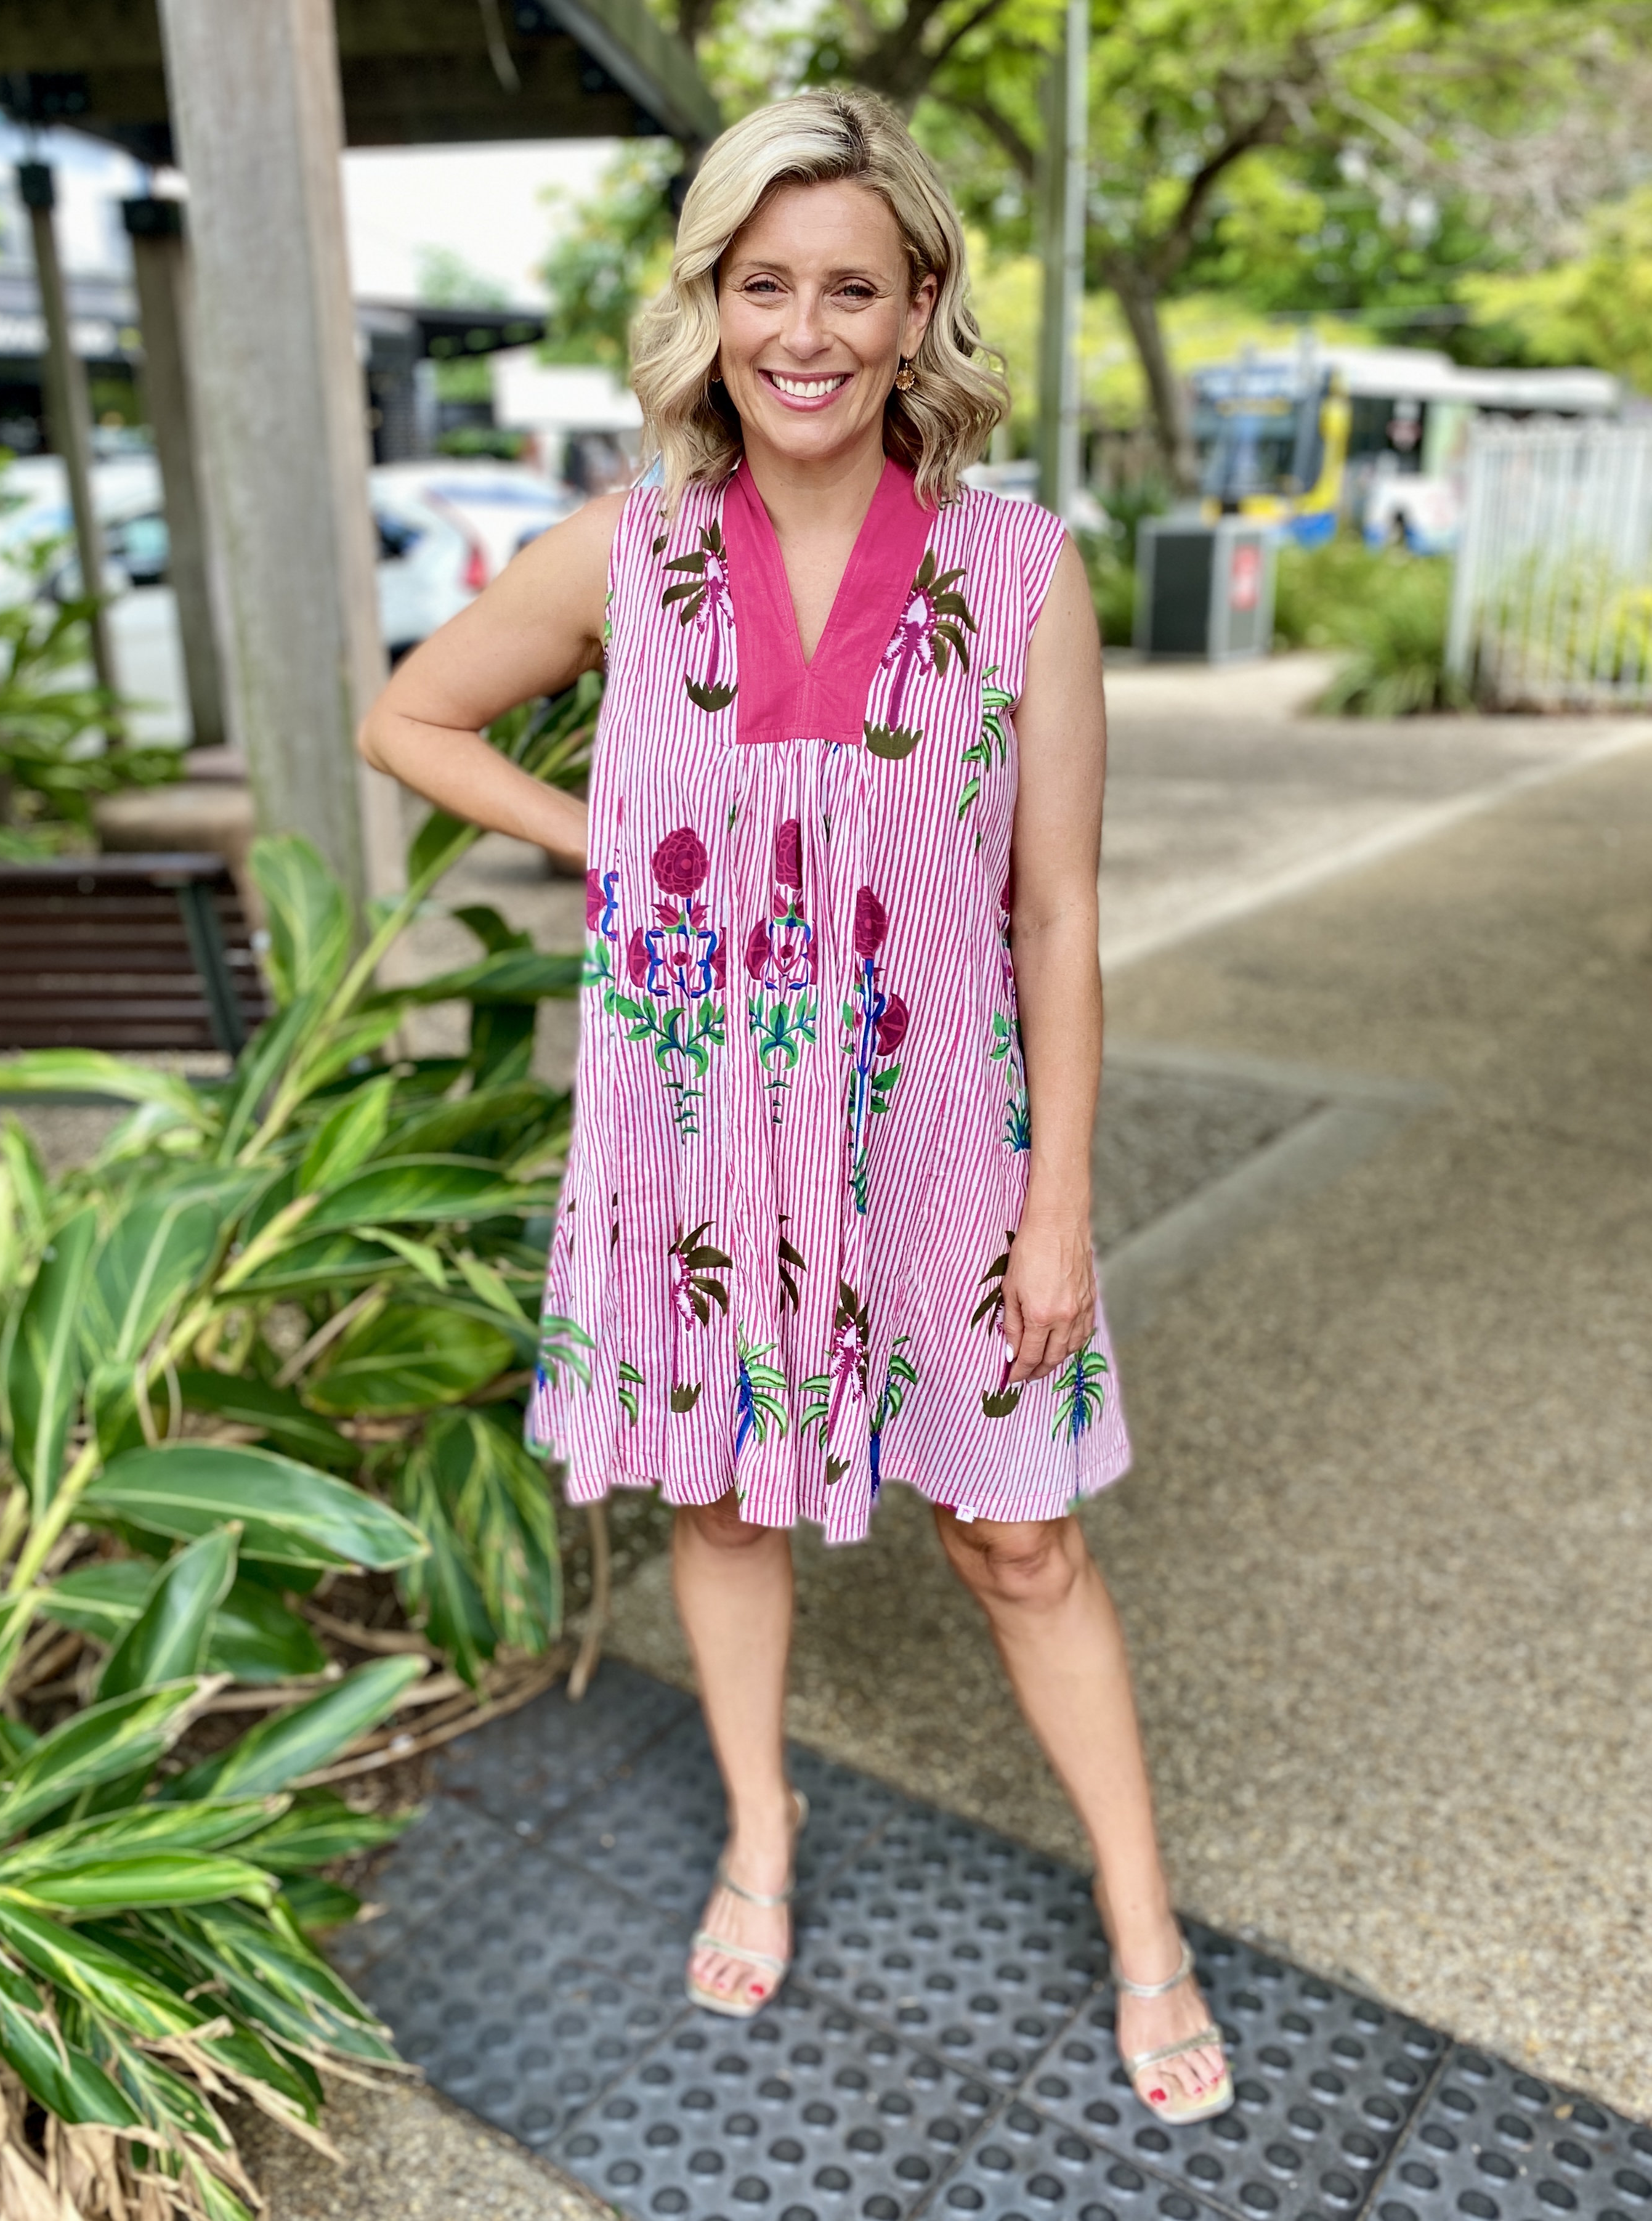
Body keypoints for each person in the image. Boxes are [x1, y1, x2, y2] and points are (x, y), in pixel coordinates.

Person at [359, 89, 1229, 2124]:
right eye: (765, 285)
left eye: (853, 287)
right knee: (723, 1497)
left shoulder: (1021, 572)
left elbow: (1057, 916)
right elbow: (411, 716)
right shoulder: (629, 552)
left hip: (941, 1140)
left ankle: (1147, 1928)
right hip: (700, 1134)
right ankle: (762, 1829)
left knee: (1021, 1540)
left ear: (921, 306)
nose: (806, 331)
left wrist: (1057, 1205)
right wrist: (609, 836)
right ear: (712, 303)